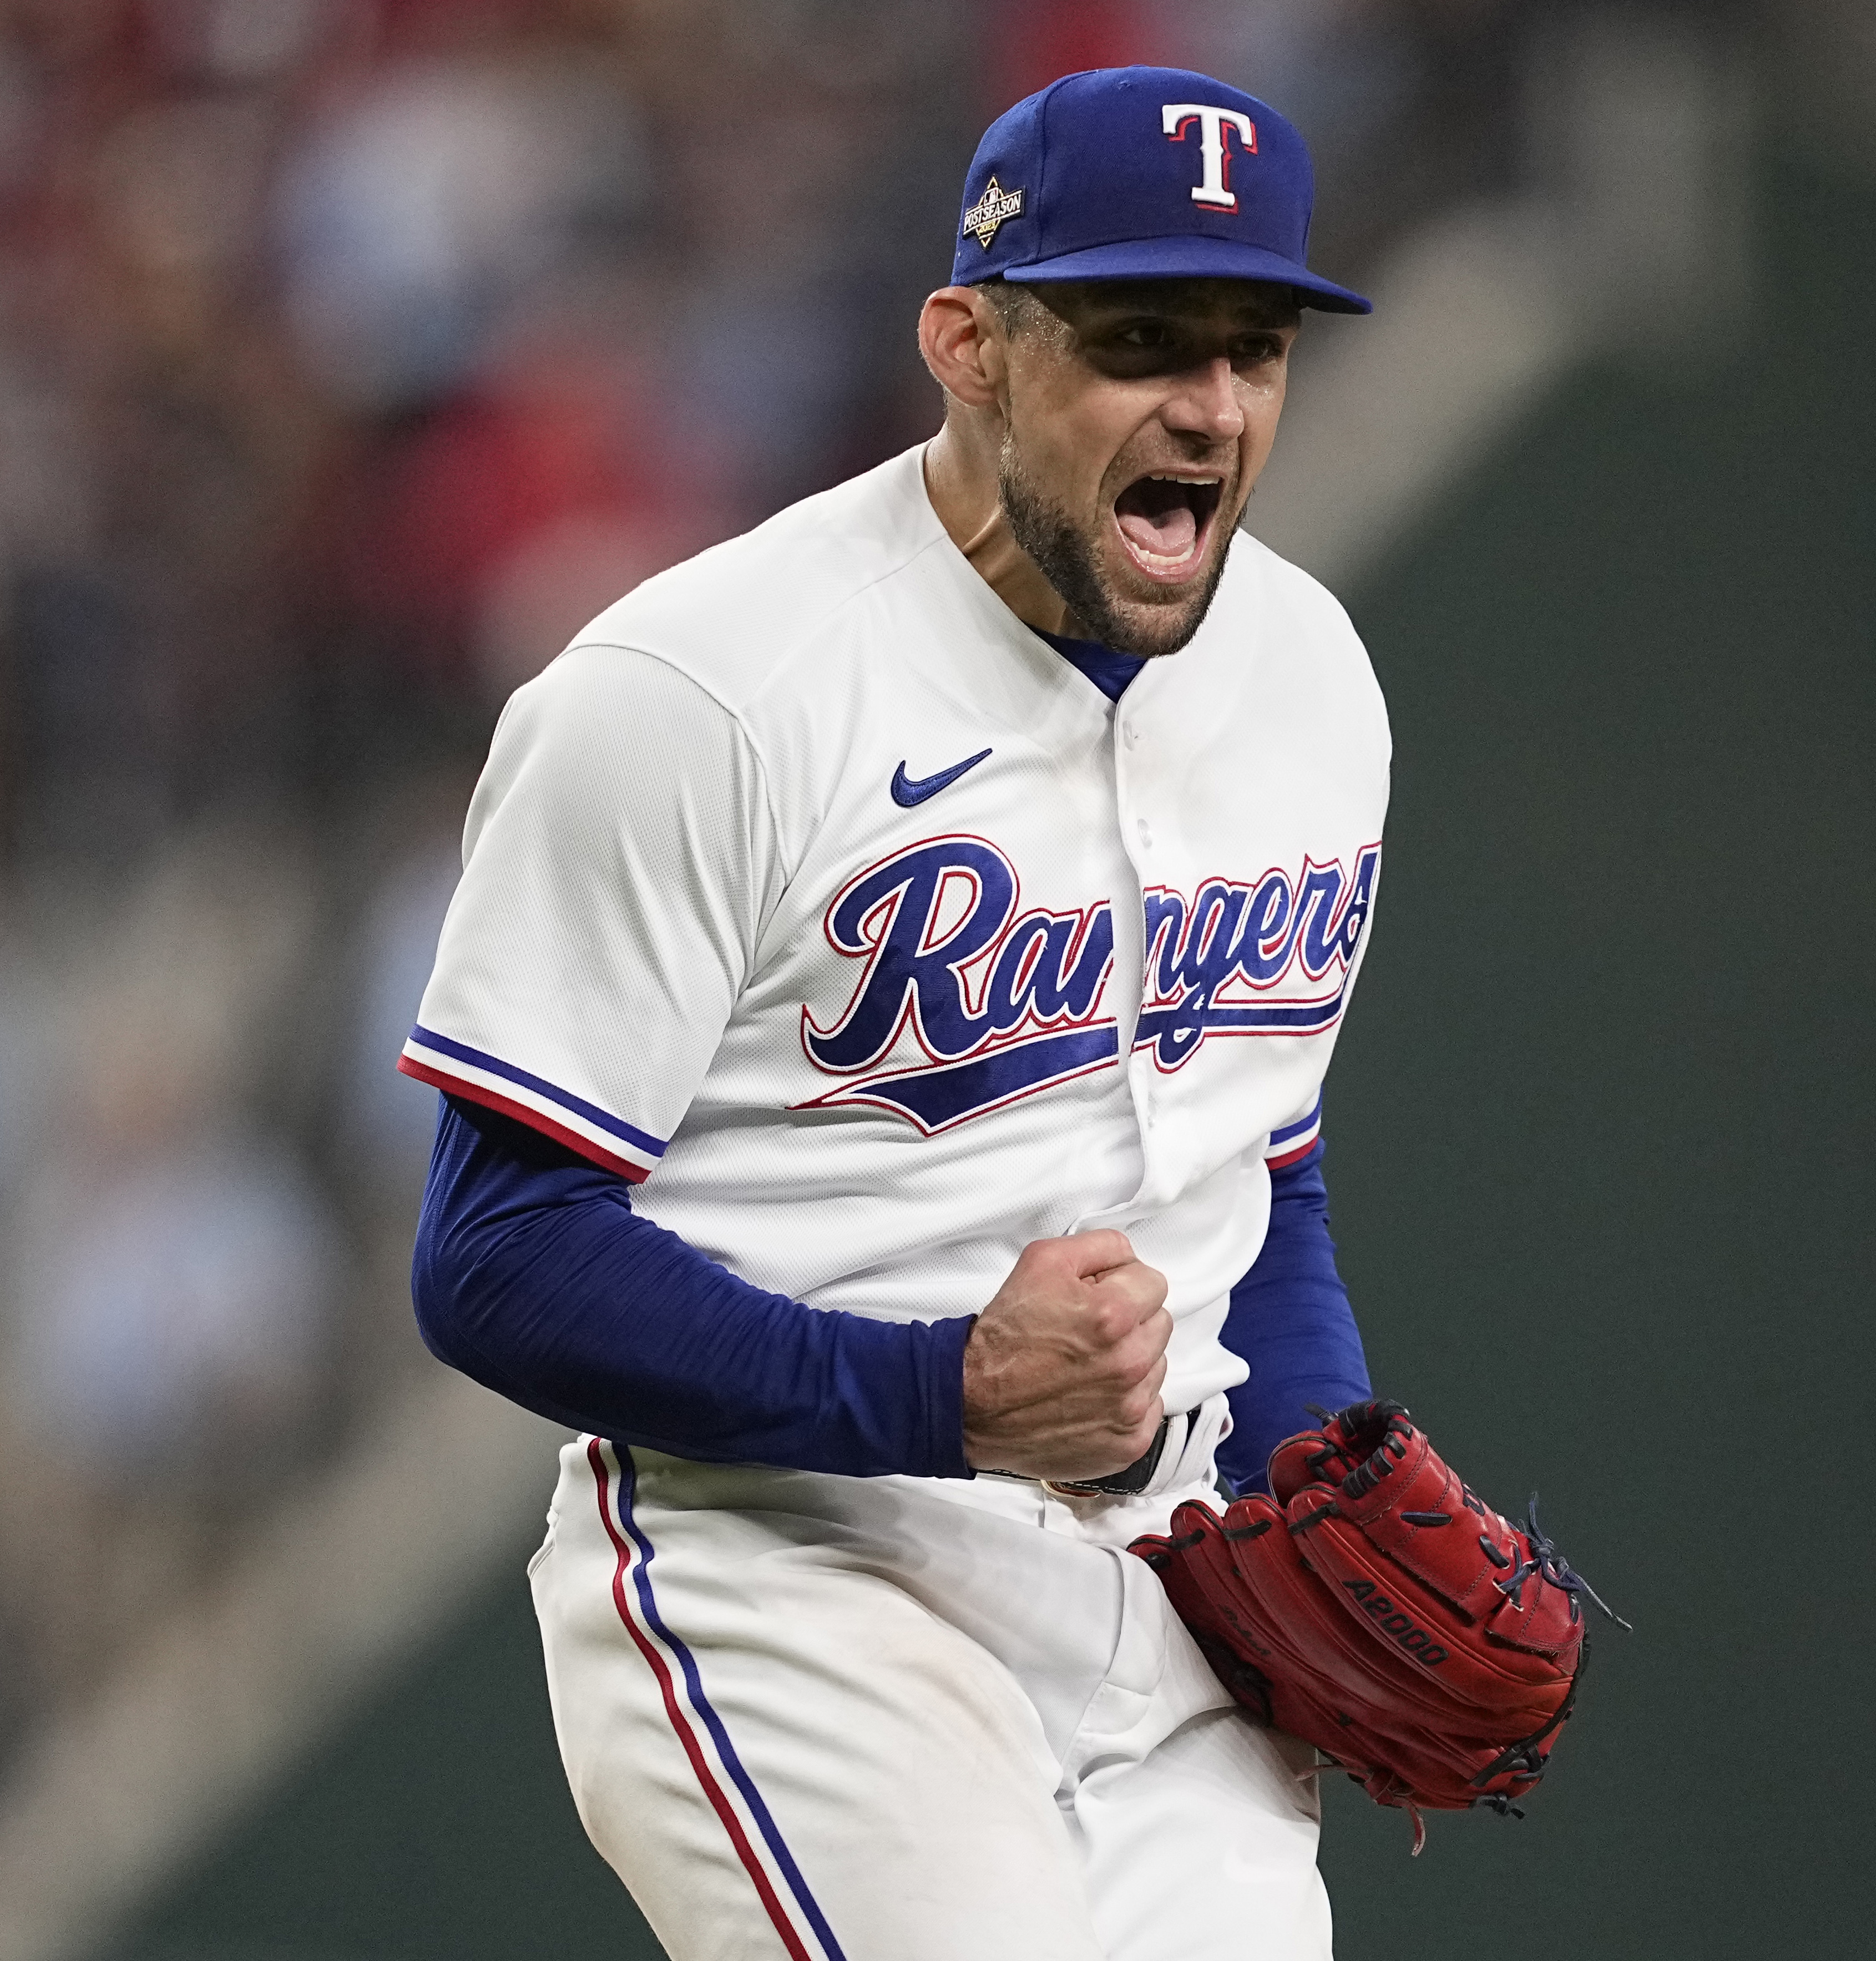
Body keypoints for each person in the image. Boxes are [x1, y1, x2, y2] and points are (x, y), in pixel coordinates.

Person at [404, 67, 1384, 1960]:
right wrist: (938, 1397)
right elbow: (493, 1254)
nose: (1209, 404)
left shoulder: (1311, 677)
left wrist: (1312, 1506)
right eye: (1137, 340)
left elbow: (1264, 1179)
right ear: (970, 346)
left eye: (1252, 347)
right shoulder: (702, 694)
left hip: (1168, 1592)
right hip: (791, 1569)